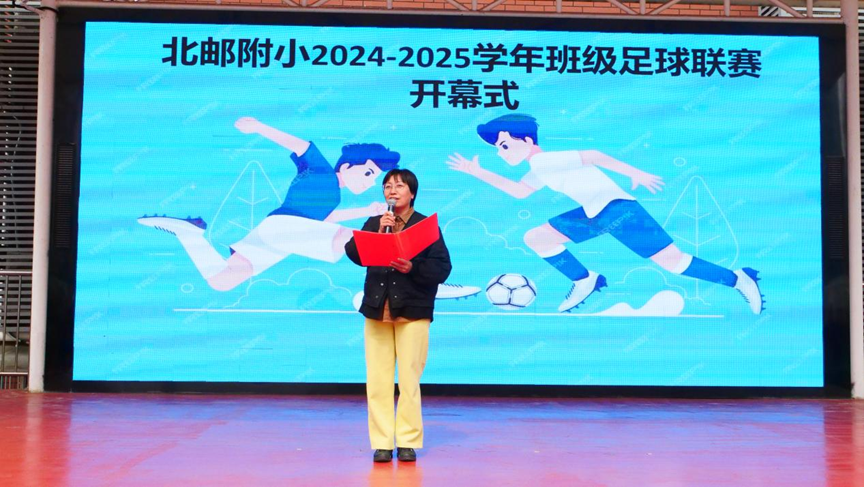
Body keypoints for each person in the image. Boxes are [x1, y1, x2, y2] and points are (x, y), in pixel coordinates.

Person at [446, 114, 764, 314]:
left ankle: (738, 279)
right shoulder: (539, 167)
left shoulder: (545, 160)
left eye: (504, 145)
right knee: (537, 237)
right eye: (497, 149)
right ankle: (585, 279)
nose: (501, 153)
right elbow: (520, 191)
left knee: (675, 263)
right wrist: (478, 171)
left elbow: (593, 155)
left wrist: (636, 173)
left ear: (526, 140)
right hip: (596, 214)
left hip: (619, 210)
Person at [138, 117, 399, 291]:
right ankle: (391, 251)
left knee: (223, 280)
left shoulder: (335, 196)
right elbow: (300, 145)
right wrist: (258, 126)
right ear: (347, 166)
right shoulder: (321, 170)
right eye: (368, 173)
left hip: (279, 233)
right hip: (284, 226)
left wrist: (366, 211)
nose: (369, 183)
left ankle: (189, 234)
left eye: (373, 179)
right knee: (340, 239)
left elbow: (324, 221)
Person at [345, 169, 452, 463]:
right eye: (387, 186)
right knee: (377, 380)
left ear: (412, 192)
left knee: (409, 380)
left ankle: (407, 440)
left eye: (399, 186)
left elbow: (442, 268)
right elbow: (353, 253)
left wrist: (412, 268)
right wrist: (378, 230)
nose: (392, 191)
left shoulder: (425, 227)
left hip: (413, 311)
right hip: (377, 309)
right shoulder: (376, 222)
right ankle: (382, 442)